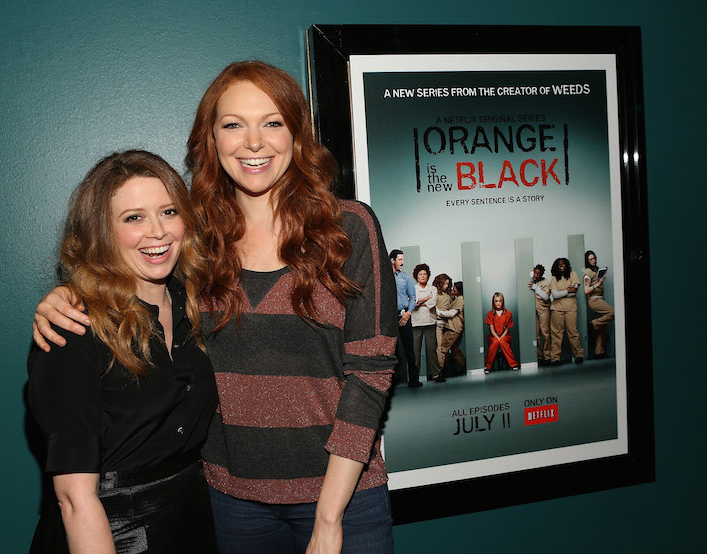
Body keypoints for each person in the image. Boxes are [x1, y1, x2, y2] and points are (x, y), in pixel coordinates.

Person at [33, 62, 397, 554]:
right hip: (231, 504)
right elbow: (124, 277)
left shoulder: (347, 229)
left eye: (272, 122)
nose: (254, 142)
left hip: (345, 497)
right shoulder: (193, 238)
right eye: (233, 125)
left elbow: (371, 372)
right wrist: (69, 295)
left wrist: (330, 518)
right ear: (211, 139)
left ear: (296, 132)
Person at [27, 150, 219, 553]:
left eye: (169, 212)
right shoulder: (74, 329)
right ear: (102, 233)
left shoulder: (200, 305)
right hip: (110, 534)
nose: (158, 232)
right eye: (134, 218)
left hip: (195, 524)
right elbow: (75, 499)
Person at [391, 249, 421, 387]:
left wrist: (408, 313)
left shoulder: (405, 277)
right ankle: (390, 383)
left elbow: (413, 297)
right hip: (389, 319)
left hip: (404, 316)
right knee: (391, 351)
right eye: (400, 260)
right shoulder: (384, 279)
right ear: (392, 260)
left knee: (409, 349)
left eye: (402, 259)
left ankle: (414, 380)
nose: (402, 262)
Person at [549, 257, 585, 365]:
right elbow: (555, 295)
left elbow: (574, 292)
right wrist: (567, 290)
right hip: (556, 309)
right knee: (556, 334)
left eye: (563, 264)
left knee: (572, 332)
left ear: (567, 265)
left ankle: (579, 355)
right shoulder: (554, 278)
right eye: (559, 264)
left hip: (571, 308)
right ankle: (555, 358)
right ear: (556, 266)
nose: (561, 266)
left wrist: (563, 292)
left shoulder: (573, 274)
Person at [583, 250, 615, 359]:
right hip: (595, 300)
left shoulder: (596, 270)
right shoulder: (588, 272)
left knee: (603, 327)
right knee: (613, 313)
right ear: (587, 261)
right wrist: (599, 283)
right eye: (591, 259)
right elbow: (586, 290)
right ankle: (593, 324)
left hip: (600, 299)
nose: (594, 261)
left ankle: (599, 352)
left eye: (594, 258)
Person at [411, 264, 440, 383]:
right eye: (420, 274)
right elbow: (413, 303)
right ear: (416, 277)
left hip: (430, 322)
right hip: (416, 324)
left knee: (432, 350)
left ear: (428, 276)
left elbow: (433, 302)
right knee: (415, 353)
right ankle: (414, 378)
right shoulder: (412, 288)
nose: (423, 276)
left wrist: (420, 302)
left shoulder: (433, 289)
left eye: (425, 274)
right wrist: (425, 299)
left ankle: (436, 375)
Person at [436, 281, 467, 374]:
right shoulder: (458, 298)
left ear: (459, 290)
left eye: (455, 288)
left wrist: (437, 311)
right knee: (455, 350)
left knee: (442, 349)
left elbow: (451, 313)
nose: (452, 289)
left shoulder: (460, 299)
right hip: (458, 328)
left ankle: (439, 371)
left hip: (454, 328)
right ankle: (464, 368)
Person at [484, 292, 519, 373]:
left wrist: (501, 338)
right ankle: (488, 366)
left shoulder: (508, 313)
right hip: (493, 336)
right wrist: (497, 338)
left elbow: (507, 329)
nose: (498, 303)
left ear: (503, 302)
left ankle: (514, 364)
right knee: (495, 342)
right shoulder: (490, 314)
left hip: (505, 335)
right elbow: (491, 329)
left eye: (500, 301)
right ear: (493, 302)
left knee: (503, 342)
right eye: (496, 301)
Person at [527, 264, 552, 366]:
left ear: (542, 274)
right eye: (535, 273)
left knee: (545, 334)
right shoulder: (533, 280)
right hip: (535, 311)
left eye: (538, 274)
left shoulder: (545, 283)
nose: (536, 275)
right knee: (536, 336)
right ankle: (540, 357)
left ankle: (547, 357)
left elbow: (546, 297)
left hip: (544, 310)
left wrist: (535, 288)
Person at [431, 273, 453, 382]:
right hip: (438, 324)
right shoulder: (435, 293)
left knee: (445, 349)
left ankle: (443, 370)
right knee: (438, 348)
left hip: (448, 324)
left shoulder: (449, 295)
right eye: (444, 284)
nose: (446, 286)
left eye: (447, 284)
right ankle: (438, 372)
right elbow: (433, 308)